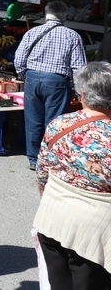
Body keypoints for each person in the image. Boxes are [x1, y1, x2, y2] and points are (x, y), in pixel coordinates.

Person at [33, 61, 111, 289]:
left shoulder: (60, 123)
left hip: (53, 218)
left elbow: (42, 174)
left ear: (83, 94)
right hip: (94, 232)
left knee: (58, 284)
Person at [14, 0, 87, 170]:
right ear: (65, 16)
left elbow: (19, 60)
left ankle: (33, 159)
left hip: (32, 78)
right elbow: (79, 67)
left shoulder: (33, 32)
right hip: (57, 82)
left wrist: (26, 76)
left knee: (33, 121)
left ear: (47, 14)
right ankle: (51, 159)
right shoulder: (72, 35)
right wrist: (79, 90)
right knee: (53, 123)